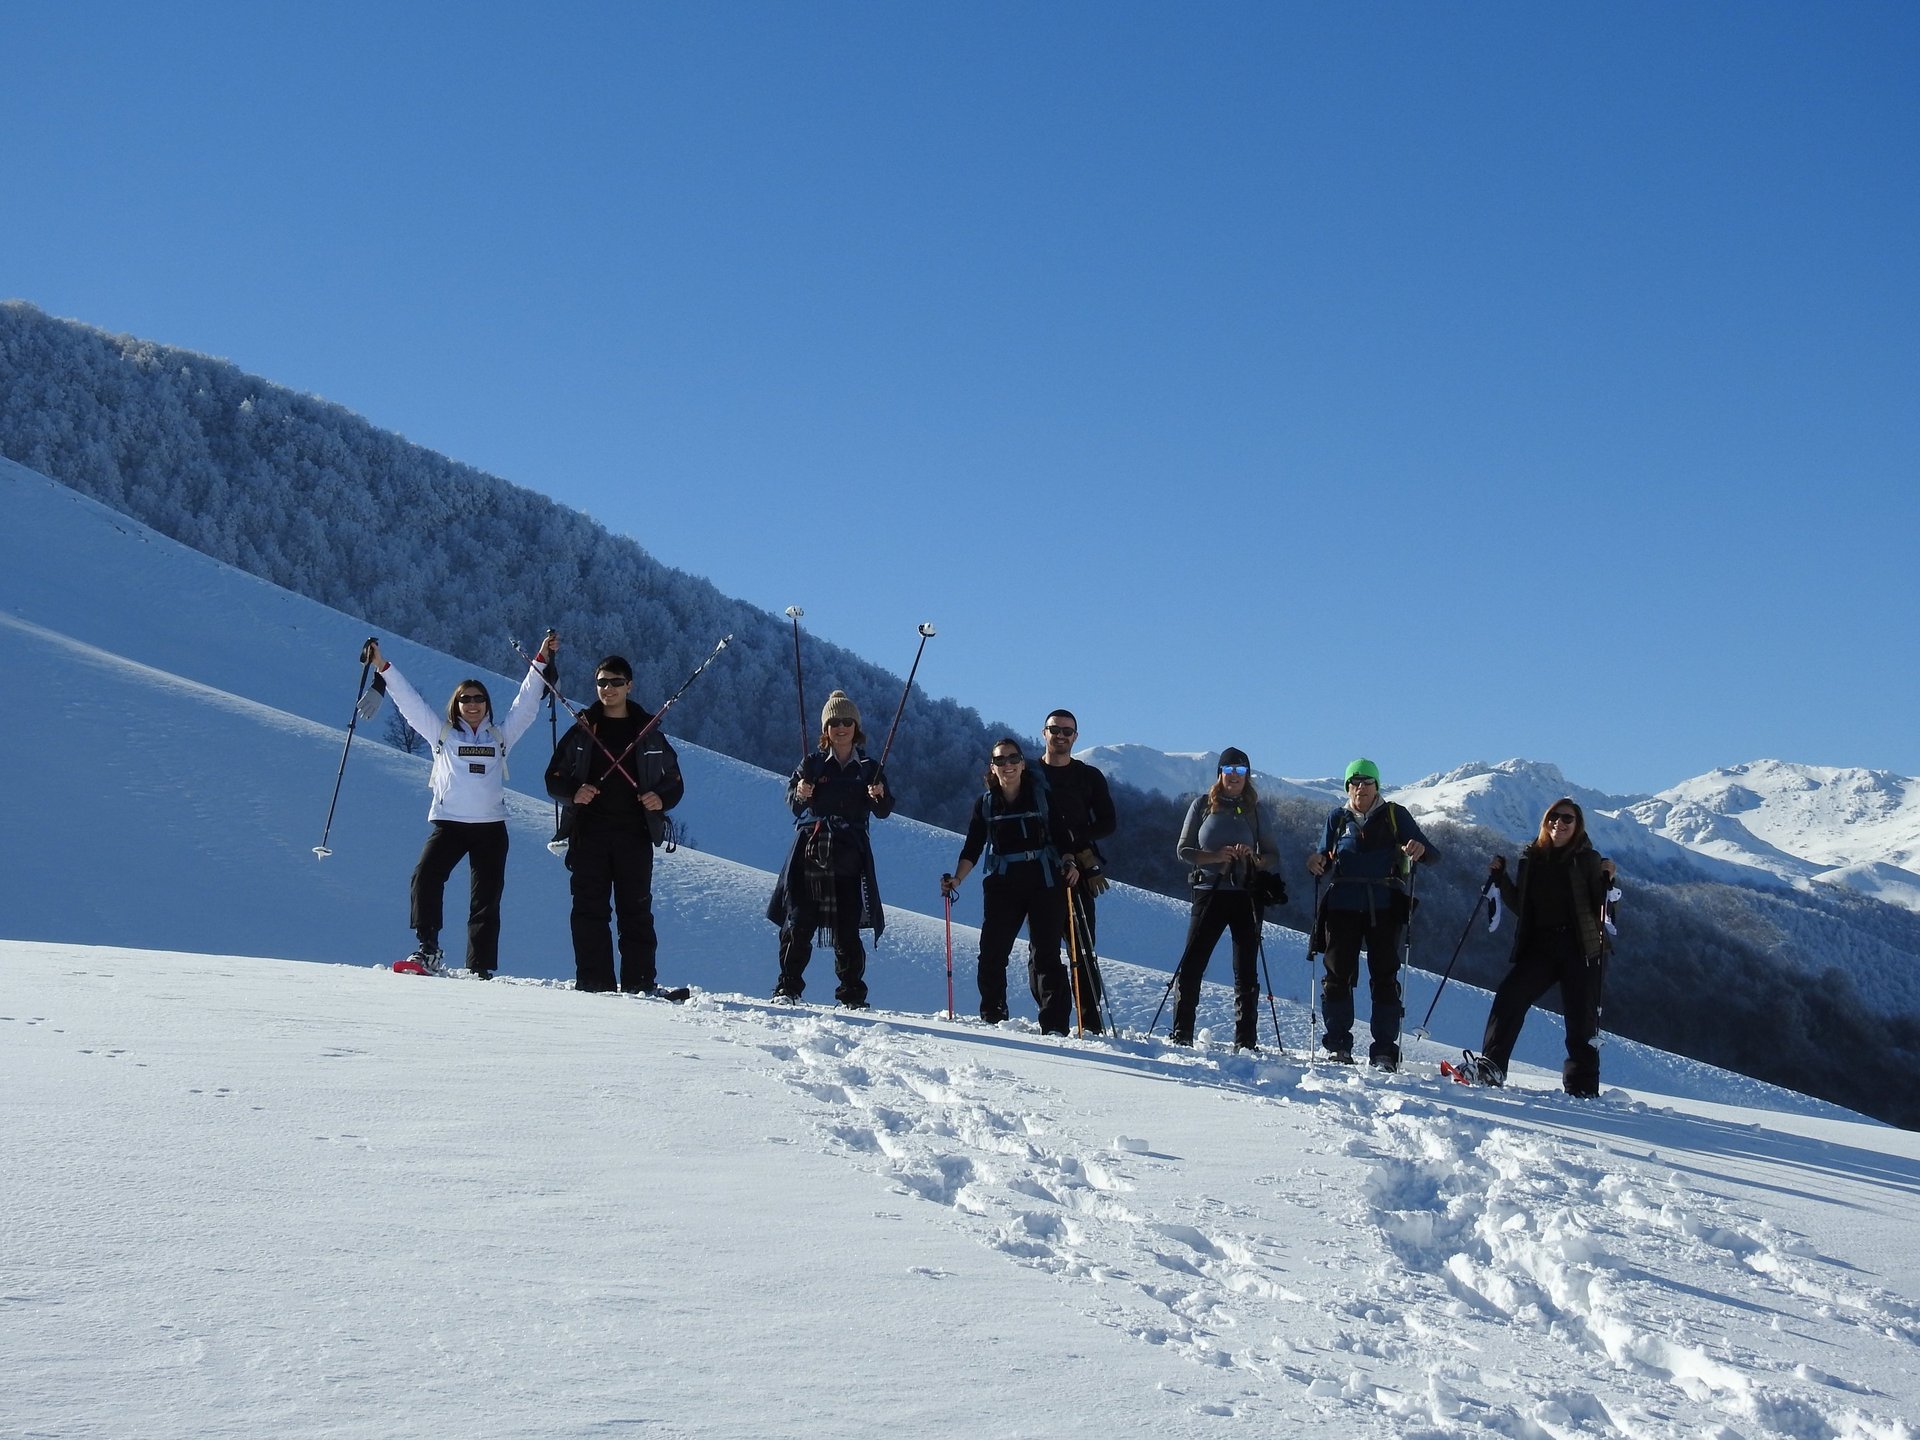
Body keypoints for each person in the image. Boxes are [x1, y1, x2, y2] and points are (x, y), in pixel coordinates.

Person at [366, 633, 554, 977]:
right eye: (465, 699)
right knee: (424, 878)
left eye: (479, 699)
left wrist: (540, 660)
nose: (472, 704)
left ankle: (480, 967)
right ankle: (428, 949)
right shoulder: (442, 734)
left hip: (490, 827)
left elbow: (526, 704)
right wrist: (383, 667)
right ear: (456, 704)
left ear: (487, 704)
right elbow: (409, 703)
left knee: (486, 900)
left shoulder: (500, 736)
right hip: (449, 824)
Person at [544, 655, 684, 994]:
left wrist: (660, 799)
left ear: (629, 685)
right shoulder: (582, 729)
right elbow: (553, 778)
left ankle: (640, 984)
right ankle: (594, 983)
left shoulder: (648, 732)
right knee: (588, 910)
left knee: (635, 911)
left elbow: (675, 781)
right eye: (602, 682)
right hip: (588, 833)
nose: (608, 688)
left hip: (634, 834)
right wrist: (574, 792)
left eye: (616, 682)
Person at [1472, 799, 1616, 1096]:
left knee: (1581, 1018)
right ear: (1545, 821)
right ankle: (1492, 1066)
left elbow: (1601, 907)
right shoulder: (1532, 859)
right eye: (1554, 817)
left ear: (1577, 827)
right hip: (1542, 945)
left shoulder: (1589, 859)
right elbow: (1524, 907)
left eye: (1567, 819)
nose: (1559, 824)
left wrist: (1608, 881)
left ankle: (1582, 1087)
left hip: (1582, 947)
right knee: (1510, 996)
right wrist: (1501, 880)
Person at [1305, 758, 1439, 1069]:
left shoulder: (1395, 815)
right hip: (1342, 905)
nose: (1361, 787)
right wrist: (1315, 862)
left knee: (1384, 977)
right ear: (1347, 787)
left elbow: (1432, 854)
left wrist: (1419, 850)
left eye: (1367, 782)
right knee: (1337, 976)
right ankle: (1338, 1045)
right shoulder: (1336, 818)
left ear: (1377, 786)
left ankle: (1384, 1051)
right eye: (1355, 782)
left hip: (1384, 906)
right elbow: (1324, 857)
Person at [940, 740, 1080, 1033]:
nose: (1008, 765)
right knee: (992, 951)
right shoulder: (986, 803)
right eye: (1001, 760)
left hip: (1044, 880)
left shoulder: (1041, 797)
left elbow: (1061, 836)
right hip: (1003, 883)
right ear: (992, 767)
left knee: (1046, 953)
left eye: (1013, 758)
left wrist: (1071, 863)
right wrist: (957, 879)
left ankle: (1054, 1024)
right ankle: (993, 1013)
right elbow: (973, 846)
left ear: (1022, 763)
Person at [767, 690, 892, 1008]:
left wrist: (878, 794)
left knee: (847, 925)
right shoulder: (810, 764)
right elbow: (793, 805)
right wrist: (800, 791)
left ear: (856, 726)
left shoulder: (869, 768)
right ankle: (788, 989)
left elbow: (884, 809)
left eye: (847, 721)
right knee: (800, 920)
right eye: (834, 721)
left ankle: (851, 995)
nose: (841, 727)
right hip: (811, 850)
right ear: (826, 728)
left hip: (849, 854)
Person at [1167, 747, 1276, 1049]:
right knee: (1192, 963)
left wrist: (1253, 858)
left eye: (1240, 771)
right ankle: (1182, 1032)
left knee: (1246, 970)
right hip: (1208, 891)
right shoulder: (1202, 805)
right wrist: (1215, 857)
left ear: (1247, 776)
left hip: (1245, 895)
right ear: (1219, 774)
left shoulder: (1256, 811)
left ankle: (1245, 1040)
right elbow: (1183, 850)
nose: (1233, 776)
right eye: (1228, 770)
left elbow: (1272, 855)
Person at [1036, 708, 1117, 1029]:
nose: (1060, 736)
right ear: (1044, 733)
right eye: (1055, 730)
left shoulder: (1089, 776)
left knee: (1081, 948)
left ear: (1076, 737)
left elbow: (1109, 822)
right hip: (1038, 868)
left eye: (1067, 732)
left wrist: (1075, 840)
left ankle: (1090, 1021)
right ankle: (1053, 1019)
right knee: (1042, 950)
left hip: (1081, 870)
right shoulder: (1028, 773)